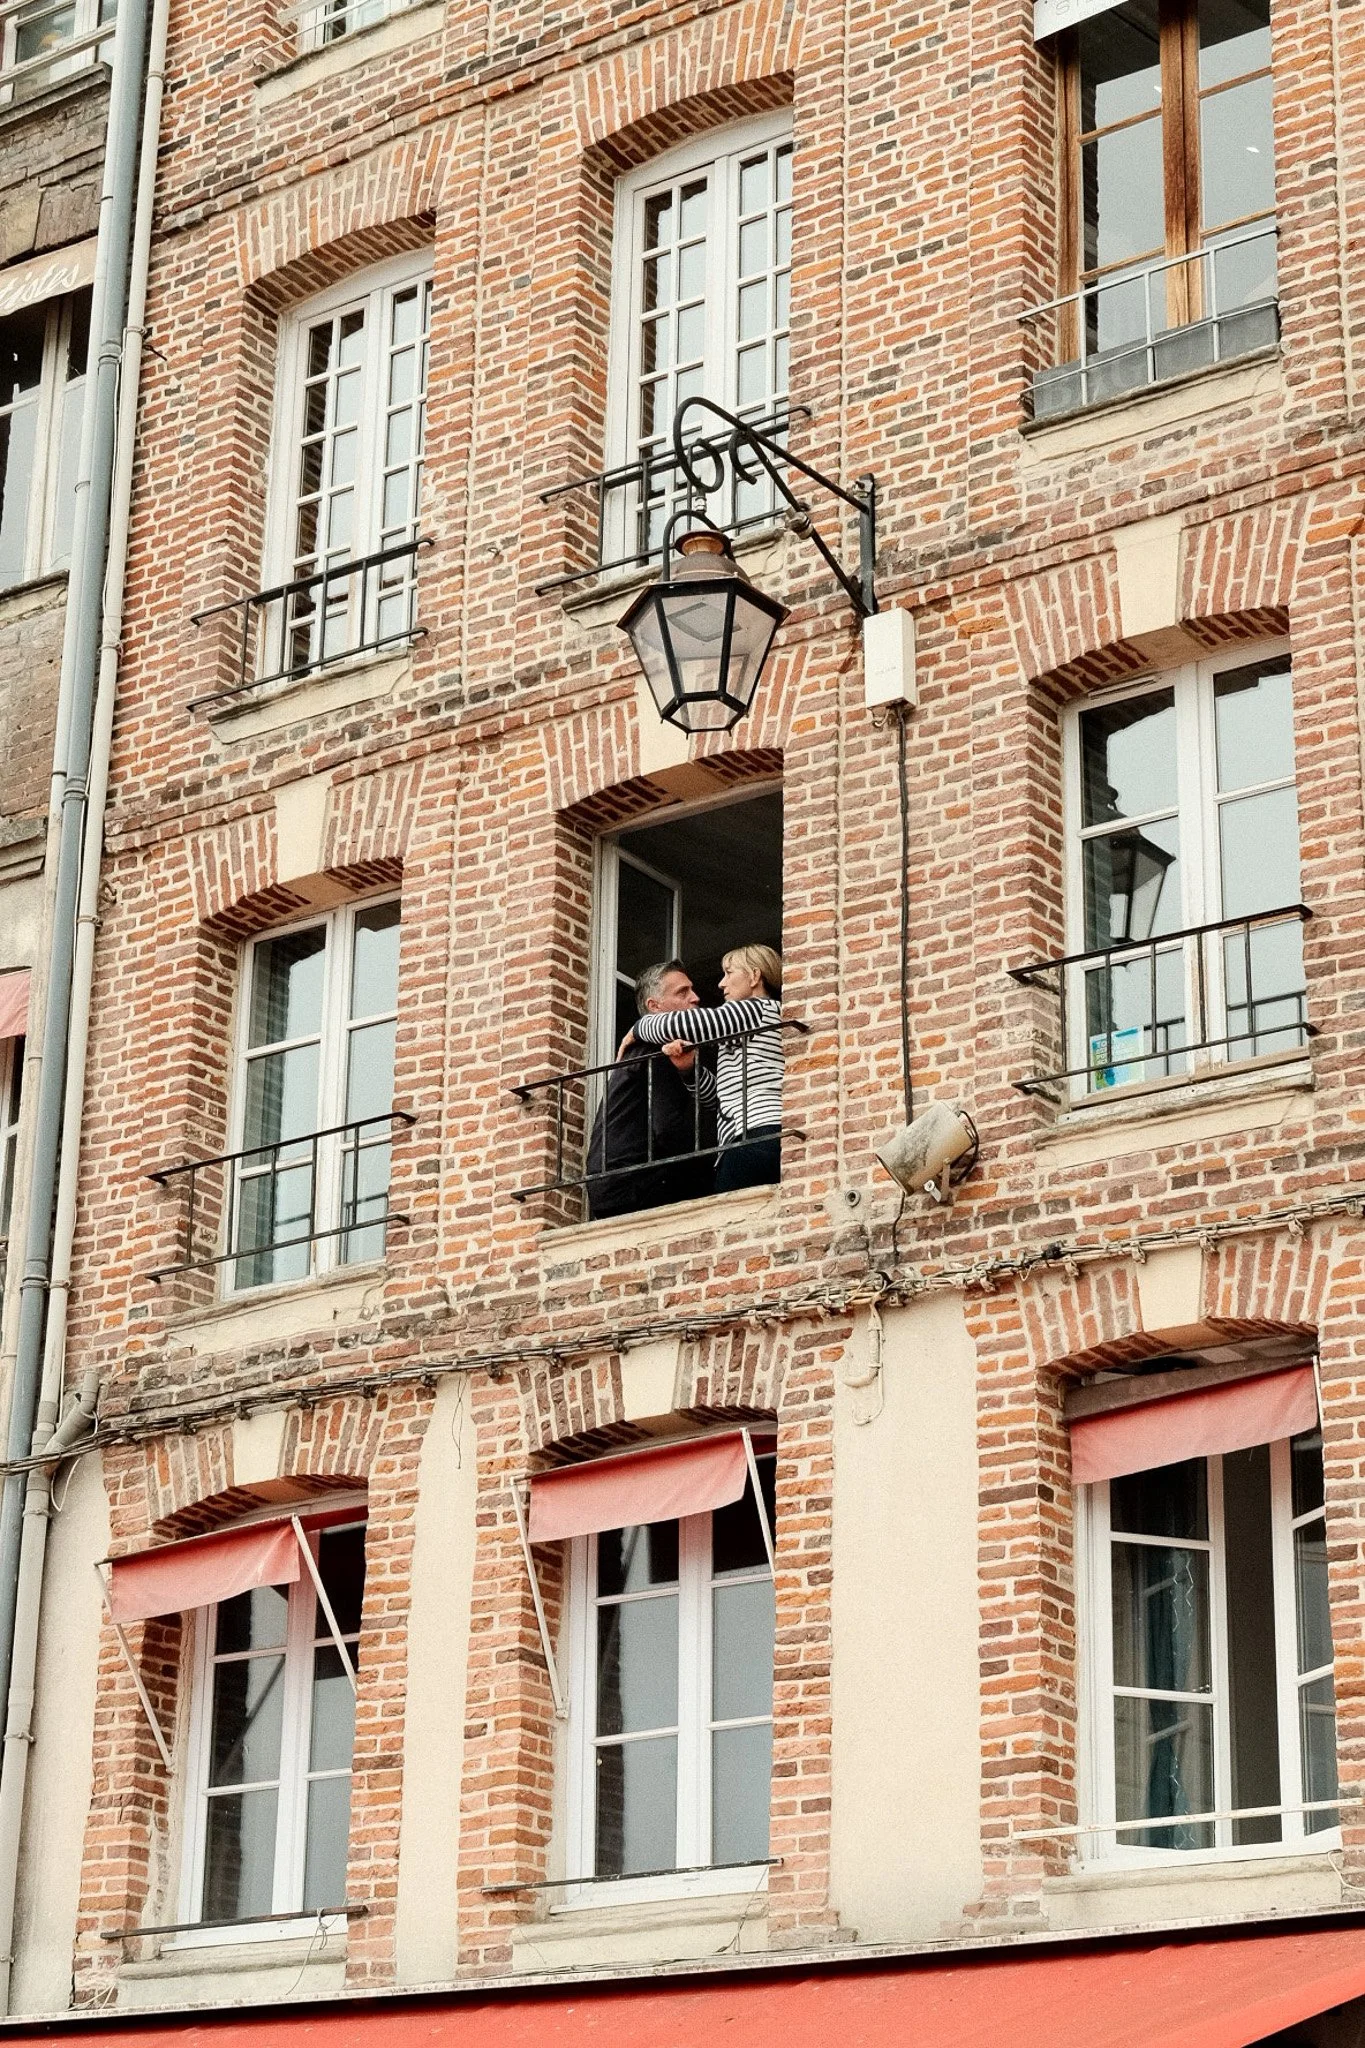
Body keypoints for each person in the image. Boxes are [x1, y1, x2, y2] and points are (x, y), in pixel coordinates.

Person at [630, 944, 784, 1193]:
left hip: (753, 1136)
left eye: (729, 973)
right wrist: (690, 1070)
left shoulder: (752, 1010)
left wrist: (638, 1028)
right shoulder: (761, 1017)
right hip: (758, 1135)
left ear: (755, 977)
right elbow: (718, 1100)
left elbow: (682, 1025)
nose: (722, 984)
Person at [584, 960, 716, 1218]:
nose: (695, 998)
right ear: (654, 1006)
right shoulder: (656, 1049)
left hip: (614, 1183)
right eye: (682, 992)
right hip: (632, 1182)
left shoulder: (643, 1046)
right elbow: (667, 1128)